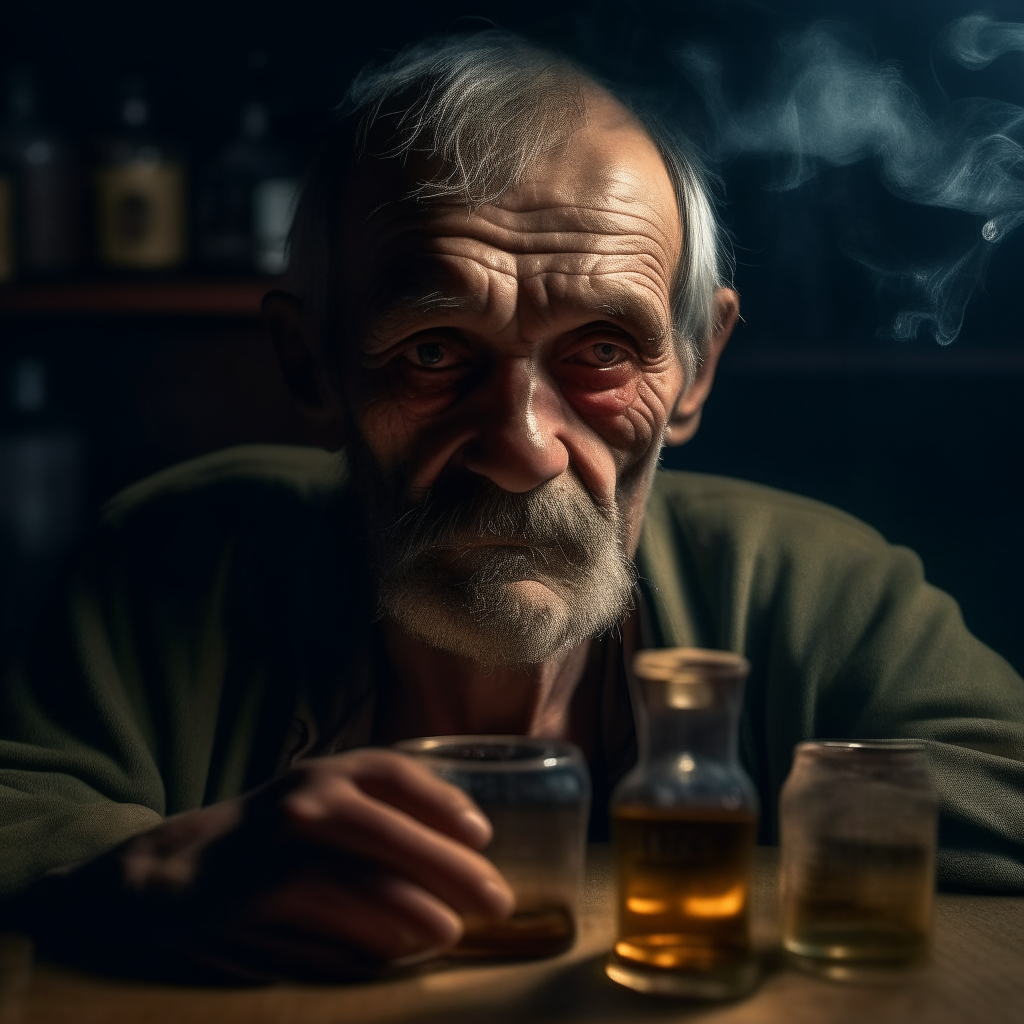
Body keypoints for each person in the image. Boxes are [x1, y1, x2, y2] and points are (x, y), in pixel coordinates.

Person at [1, 33, 1022, 982]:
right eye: (435, 351)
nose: (522, 447)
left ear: (697, 368)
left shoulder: (818, 582)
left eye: (603, 350)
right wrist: (144, 873)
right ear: (309, 370)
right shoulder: (174, 555)